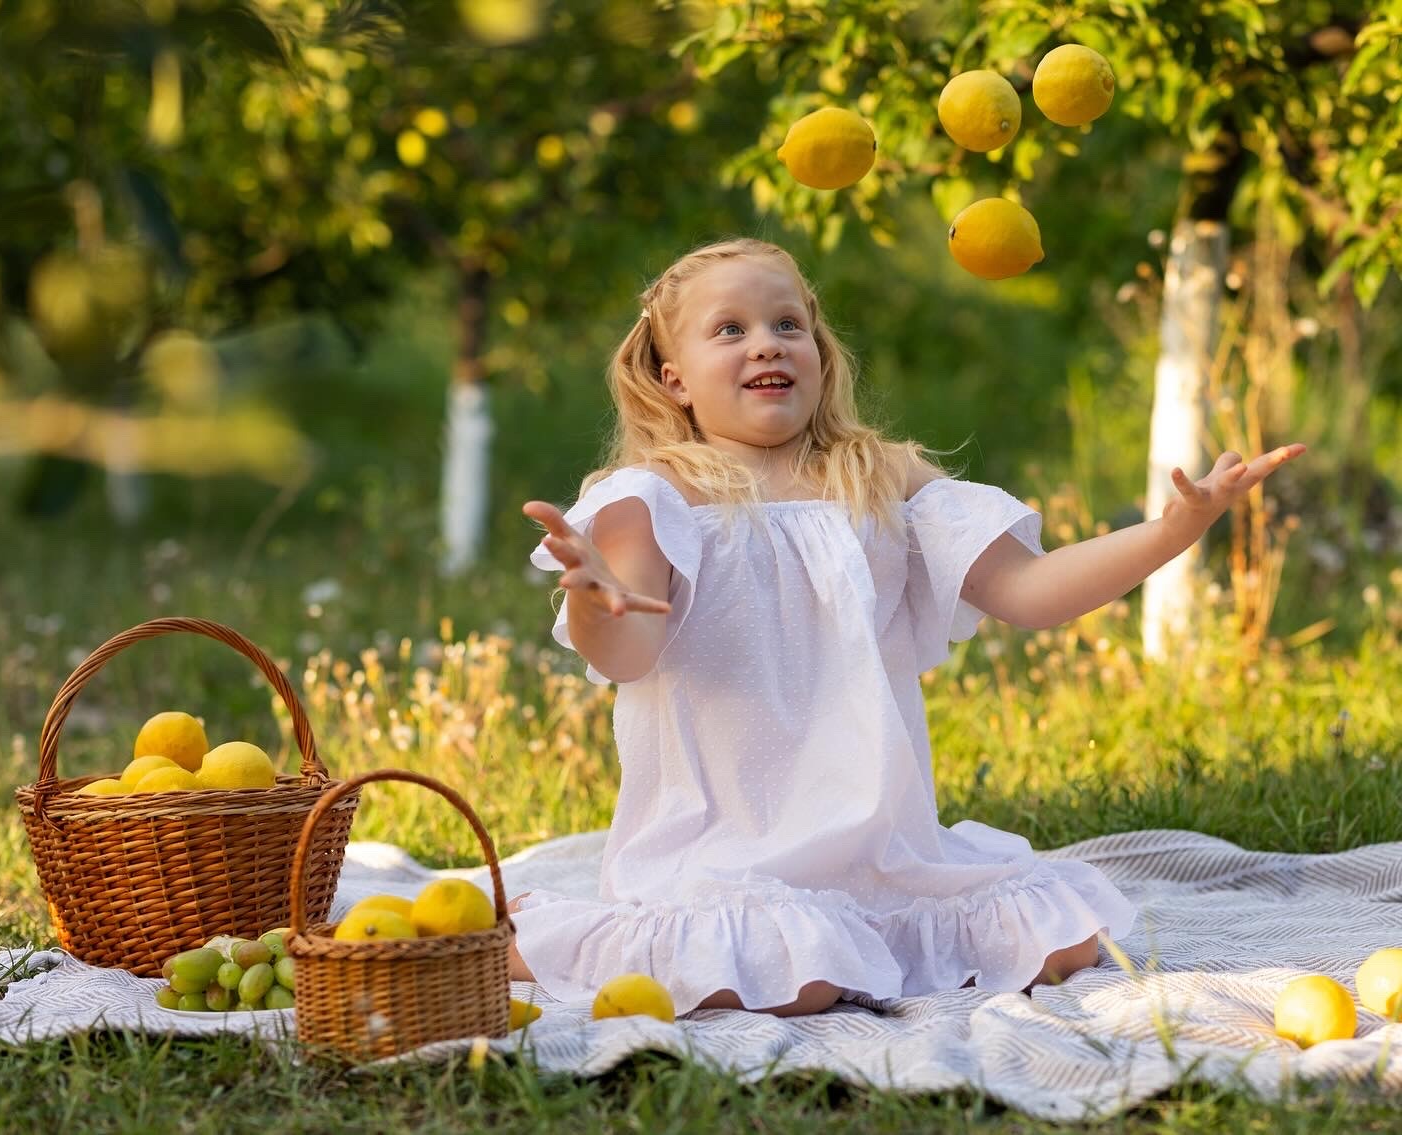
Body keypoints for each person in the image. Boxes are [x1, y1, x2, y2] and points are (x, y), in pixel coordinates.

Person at [512, 237, 1305, 1018]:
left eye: (789, 325)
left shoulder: (877, 472)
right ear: (671, 376)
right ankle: (523, 941)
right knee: (797, 975)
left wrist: (1170, 532)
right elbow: (627, 649)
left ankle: (858, 919)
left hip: (879, 845)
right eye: (731, 329)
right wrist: (592, 599)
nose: (768, 344)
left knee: (1061, 942)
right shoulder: (654, 494)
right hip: (726, 846)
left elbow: (1030, 591)